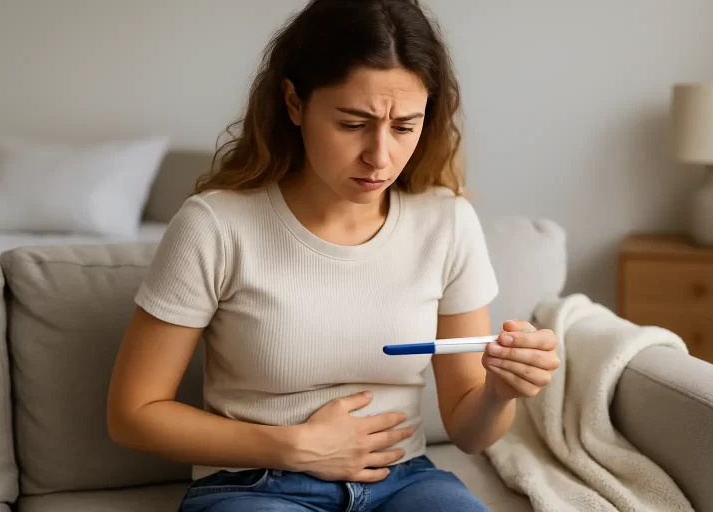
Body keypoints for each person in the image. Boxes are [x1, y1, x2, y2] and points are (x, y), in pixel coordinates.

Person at [107, 0, 561, 510]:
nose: (380, 156)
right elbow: (133, 413)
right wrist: (295, 447)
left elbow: (470, 432)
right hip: (257, 485)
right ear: (294, 103)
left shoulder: (447, 222)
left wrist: (500, 391)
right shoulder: (214, 225)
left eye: (405, 125)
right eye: (352, 124)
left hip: (404, 480)